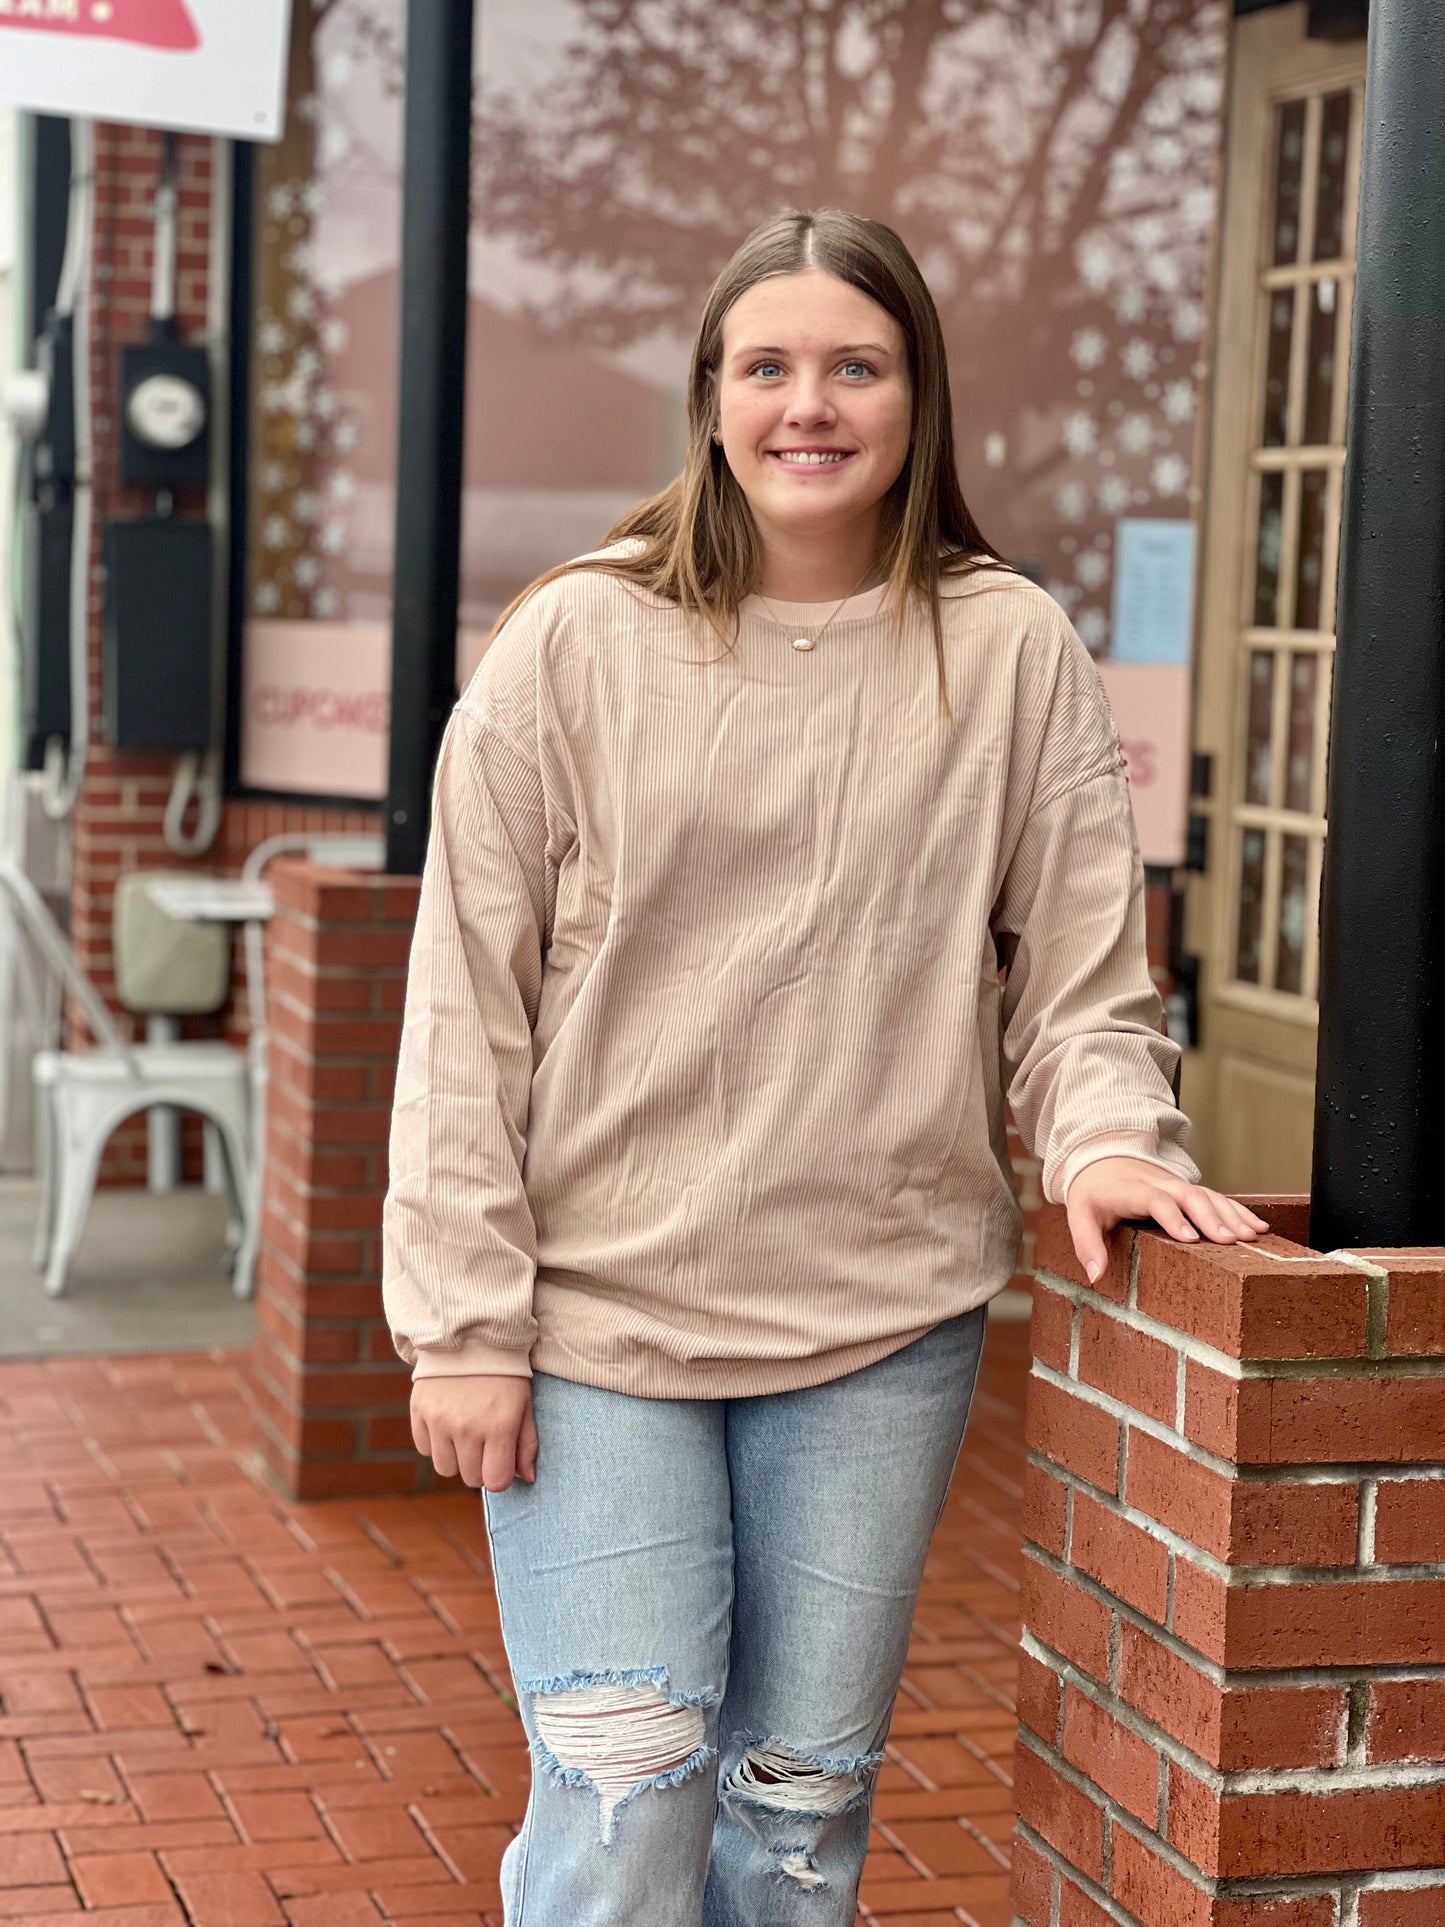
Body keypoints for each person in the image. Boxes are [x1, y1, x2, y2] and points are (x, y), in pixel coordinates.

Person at [381, 207, 1267, 1926]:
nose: (810, 403)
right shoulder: (573, 641)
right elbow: (460, 1012)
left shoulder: (1009, 649)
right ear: (708, 398)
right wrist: (462, 1323)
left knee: (793, 1828)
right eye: (767, 365)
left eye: (854, 365)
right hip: (593, 1324)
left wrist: (1101, 1138)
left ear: (915, 398)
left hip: (877, 1324)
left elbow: (1081, 983)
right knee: (629, 1804)